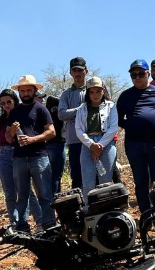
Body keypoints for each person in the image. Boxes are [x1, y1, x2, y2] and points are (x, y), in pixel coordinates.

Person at [117, 59, 155, 218]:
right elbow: (118, 119)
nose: (137, 77)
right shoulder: (125, 95)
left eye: (141, 74)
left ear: (148, 74)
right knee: (140, 181)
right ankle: (146, 214)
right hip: (134, 144)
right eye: (134, 75)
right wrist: (134, 125)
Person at [6, 75, 57, 232]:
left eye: (29, 90)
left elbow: (52, 132)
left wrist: (33, 139)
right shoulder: (14, 112)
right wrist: (13, 131)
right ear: (19, 92)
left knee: (45, 193)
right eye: (23, 90)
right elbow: (8, 138)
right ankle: (22, 227)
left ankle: (49, 225)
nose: (26, 93)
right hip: (19, 158)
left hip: (39, 156)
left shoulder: (41, 109)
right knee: (21, 196)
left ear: (35, 90)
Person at [0, 89, 42, 226]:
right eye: (3, 103)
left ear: (15, 100)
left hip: (21, 154)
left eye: (9, 101)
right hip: (4, 155)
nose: (6, 105)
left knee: (27, 191)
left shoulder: (24, 115)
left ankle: (40, 221)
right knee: (10, 193)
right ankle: (16, 225)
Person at [74, 77, 118, 204]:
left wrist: (100, 145)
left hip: (107, 143)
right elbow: (79, 129)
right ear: (88, 93)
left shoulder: (111, 106)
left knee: (106, 181)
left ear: (103, 91)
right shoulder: (81, 109)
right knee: (88, 182)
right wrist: (92, 145)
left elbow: (113, 127)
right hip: (87, 143)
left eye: (98, 91)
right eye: (92, 92)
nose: (95, 94)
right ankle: (89, 210)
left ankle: (106, 210)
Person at [58, 57, 88, 190]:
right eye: (74, 70)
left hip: (92, 140)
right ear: (71, 72)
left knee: (96, 175)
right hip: (74, 141)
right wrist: (82, 109)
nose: (77, 73)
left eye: (80, 70)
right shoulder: (66, 94)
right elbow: (61, 114)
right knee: (76, 176)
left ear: (86, 71)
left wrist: (73, 113)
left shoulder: (94, 90)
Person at [36, 90, 65, 194]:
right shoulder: (48, 108)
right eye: (39, 98)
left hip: (47, 146)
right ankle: (56, 199)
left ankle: (52, 198)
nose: (42, 100)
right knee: (56, 175)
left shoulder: (42, 111)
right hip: (55, 145)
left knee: (51, 175)